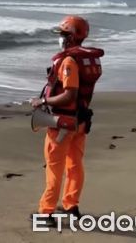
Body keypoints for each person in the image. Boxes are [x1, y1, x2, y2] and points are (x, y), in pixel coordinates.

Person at [30, 15, 104, 226]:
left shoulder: (69, 62)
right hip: (80, 122)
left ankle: (46, 213)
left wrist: (42, 100)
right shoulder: (85, 59)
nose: (60, 39)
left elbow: (70, 94)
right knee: (75, 165)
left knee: (54, 168)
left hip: (62, 124)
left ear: (71, 38)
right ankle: (71, 206)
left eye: (63, 35)